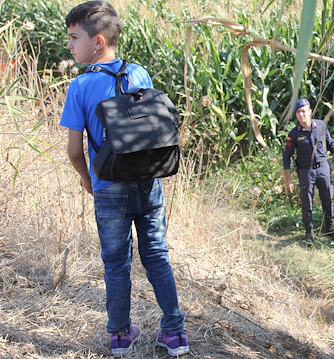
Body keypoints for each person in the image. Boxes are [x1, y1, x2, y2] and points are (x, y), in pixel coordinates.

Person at [60, 2, 188, 356]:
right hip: (149, 182)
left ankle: (119, 336)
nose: (70, 46)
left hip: (109, 188)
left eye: (74, 38)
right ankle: (175, 333)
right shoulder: (140, 74)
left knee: (116, 265)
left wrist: (88, 179)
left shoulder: (80, 86)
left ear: (97, 41)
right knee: (157, 256)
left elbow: (74, 151)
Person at [283, 98, 334, 244]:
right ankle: (309, 233)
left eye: (304, 111)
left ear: (310, 111)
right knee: (307, 202)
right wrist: (288, 179)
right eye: (298, 112)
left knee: (327, 199)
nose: (301, 114)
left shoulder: (321, 125)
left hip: (323, 168)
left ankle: (330, 230)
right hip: (306, 172)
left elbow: (331, 144)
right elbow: (287, 156)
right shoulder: (294, 134)